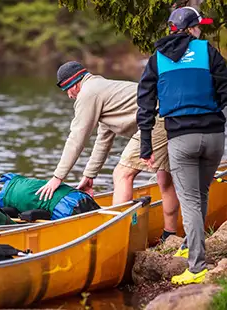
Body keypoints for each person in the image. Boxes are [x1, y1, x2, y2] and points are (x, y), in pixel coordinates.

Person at [36, 61, 179, 242]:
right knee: (164, 178)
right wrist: (89, 176)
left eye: (67, 91)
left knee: (122, 173)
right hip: (171, 115)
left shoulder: (88, 93)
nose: (69, 96)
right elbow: (103, 141)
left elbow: (76, 138)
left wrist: (57, 178)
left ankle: (118, 237)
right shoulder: (102, 89)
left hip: (157, 119)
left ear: (75, 84)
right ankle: (170, 236)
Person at [137, 6, 227, 284]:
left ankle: (197, 266)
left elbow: (145, 103)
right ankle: (190, 243)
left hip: (181, 138)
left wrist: (146, 144)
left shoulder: (157, 59)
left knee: (188, 199)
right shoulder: (208, 51)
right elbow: (225, 89)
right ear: (190, 29)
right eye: (199, 26)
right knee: (199, 193)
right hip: (214, 136)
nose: (201, 30)